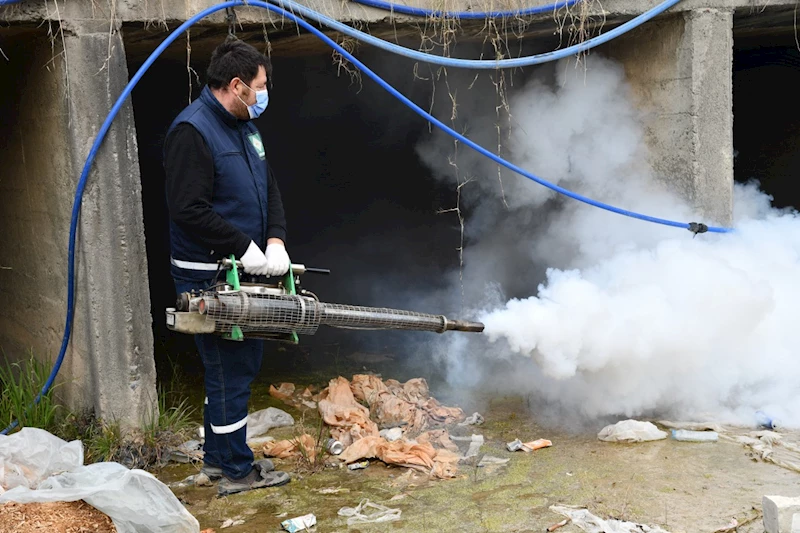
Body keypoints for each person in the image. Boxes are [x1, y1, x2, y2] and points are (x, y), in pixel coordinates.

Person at [163, 38, 291, 496]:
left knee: (231, 368)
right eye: (259, 86)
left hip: (245, 267)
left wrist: (273, 240)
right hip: (208, 273)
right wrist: (243, 246)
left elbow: (268, 186)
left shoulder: (245, 127)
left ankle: (219, 459)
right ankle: (238, 469)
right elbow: (188, 209)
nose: (263, 95)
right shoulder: (192, 132)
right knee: (230, 368)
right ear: (236, 86)